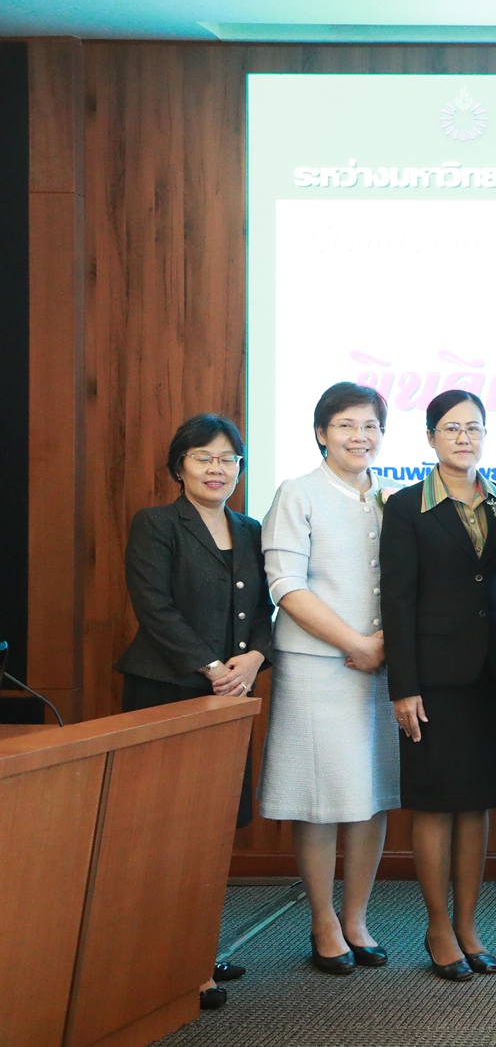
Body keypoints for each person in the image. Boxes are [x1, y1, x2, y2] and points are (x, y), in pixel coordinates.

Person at [116, 412, 273, 1010]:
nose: (217, 468)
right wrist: (212, 668)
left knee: (212, 828)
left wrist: (255, 658)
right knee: (162, 831)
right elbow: (154, 608)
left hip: (233, 694)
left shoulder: (251, 528)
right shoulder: (157, 524)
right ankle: (166, 962)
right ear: (179, 465)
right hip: (168, 692)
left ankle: (198, 950)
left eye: (228, 459)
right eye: (204, 457)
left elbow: (266, 606)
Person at [259, 382, 400, 976]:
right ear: (321, 432)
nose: (358, 436)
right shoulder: (299, 493)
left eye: (370, 425)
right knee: (319, 799)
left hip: (383, 666)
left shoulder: (393, 497)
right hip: (318, 667)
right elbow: (285, 585)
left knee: (370, 794)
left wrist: (383, 647)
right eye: (345, 424)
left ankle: (357, 917)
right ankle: (322, 920)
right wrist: (355, 645)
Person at [382, 390, 496, 983]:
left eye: (475, 428)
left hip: (492, 678)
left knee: (477, 804)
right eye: (452, 428)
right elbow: (398, 601)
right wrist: (403, 687)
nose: (465, 438)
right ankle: (437, 929)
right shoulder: (407, 506)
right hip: (432, 681)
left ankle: (468, 925)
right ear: (431, 437)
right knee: (435, 804)